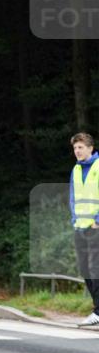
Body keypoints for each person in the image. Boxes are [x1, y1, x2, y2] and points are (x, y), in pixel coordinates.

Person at [69, 132, 99, 326]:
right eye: (75, 148)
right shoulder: (76, 169)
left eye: (80, 147)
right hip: (80, 226)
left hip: (96, 226)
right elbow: (73, 197)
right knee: (85, 269)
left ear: (90, 148)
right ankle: (97, 308)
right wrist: (74, 219)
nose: (77, 151)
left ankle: (98, 311)